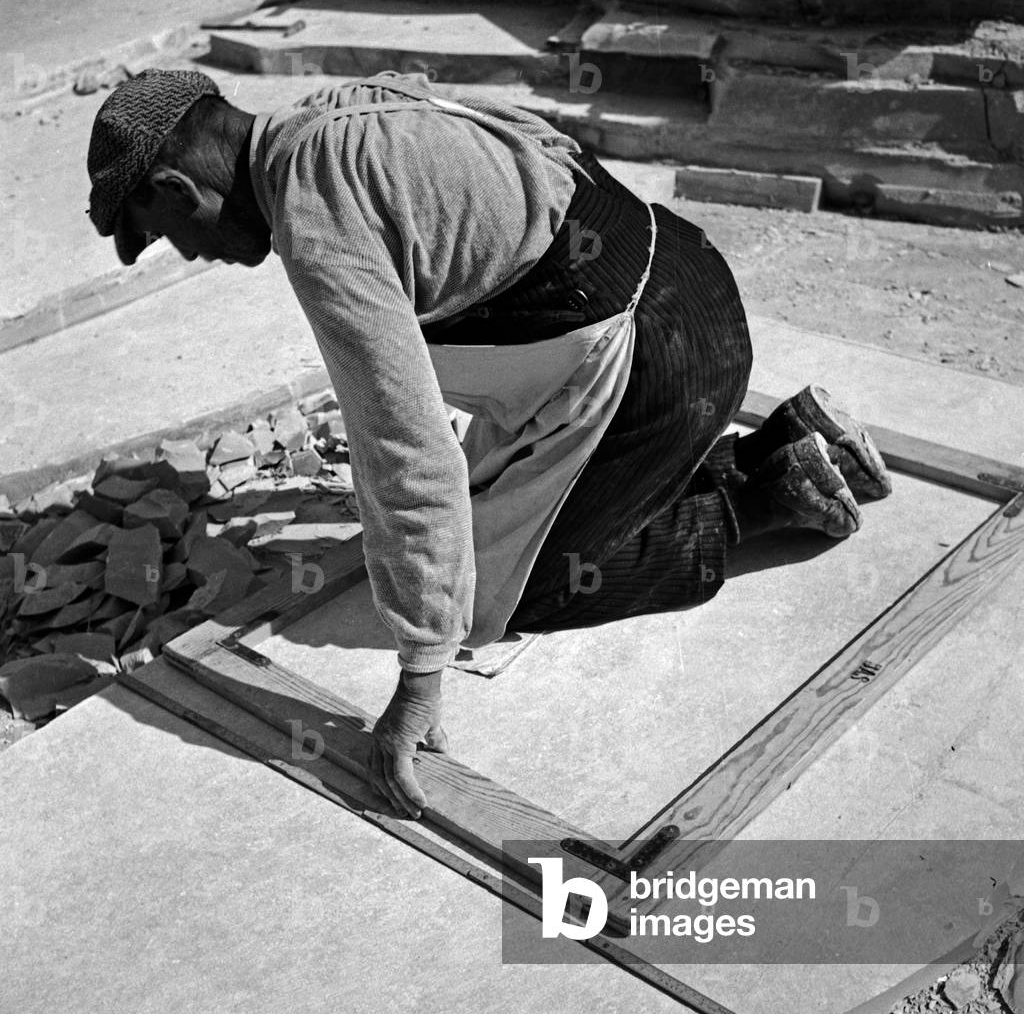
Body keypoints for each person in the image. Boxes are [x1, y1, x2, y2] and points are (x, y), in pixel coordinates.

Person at [86, 68, 891, 818]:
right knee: (483, 514)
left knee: (504, 597)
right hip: (689, 281)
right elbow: (538, 142)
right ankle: (789, 443)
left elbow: (404, 445)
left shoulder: (317, 220)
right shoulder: (336, 115)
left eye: (164, 234)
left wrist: (422, 674)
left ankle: (763, 498)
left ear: (175, 186)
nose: (191, 254)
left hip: (656, 362)